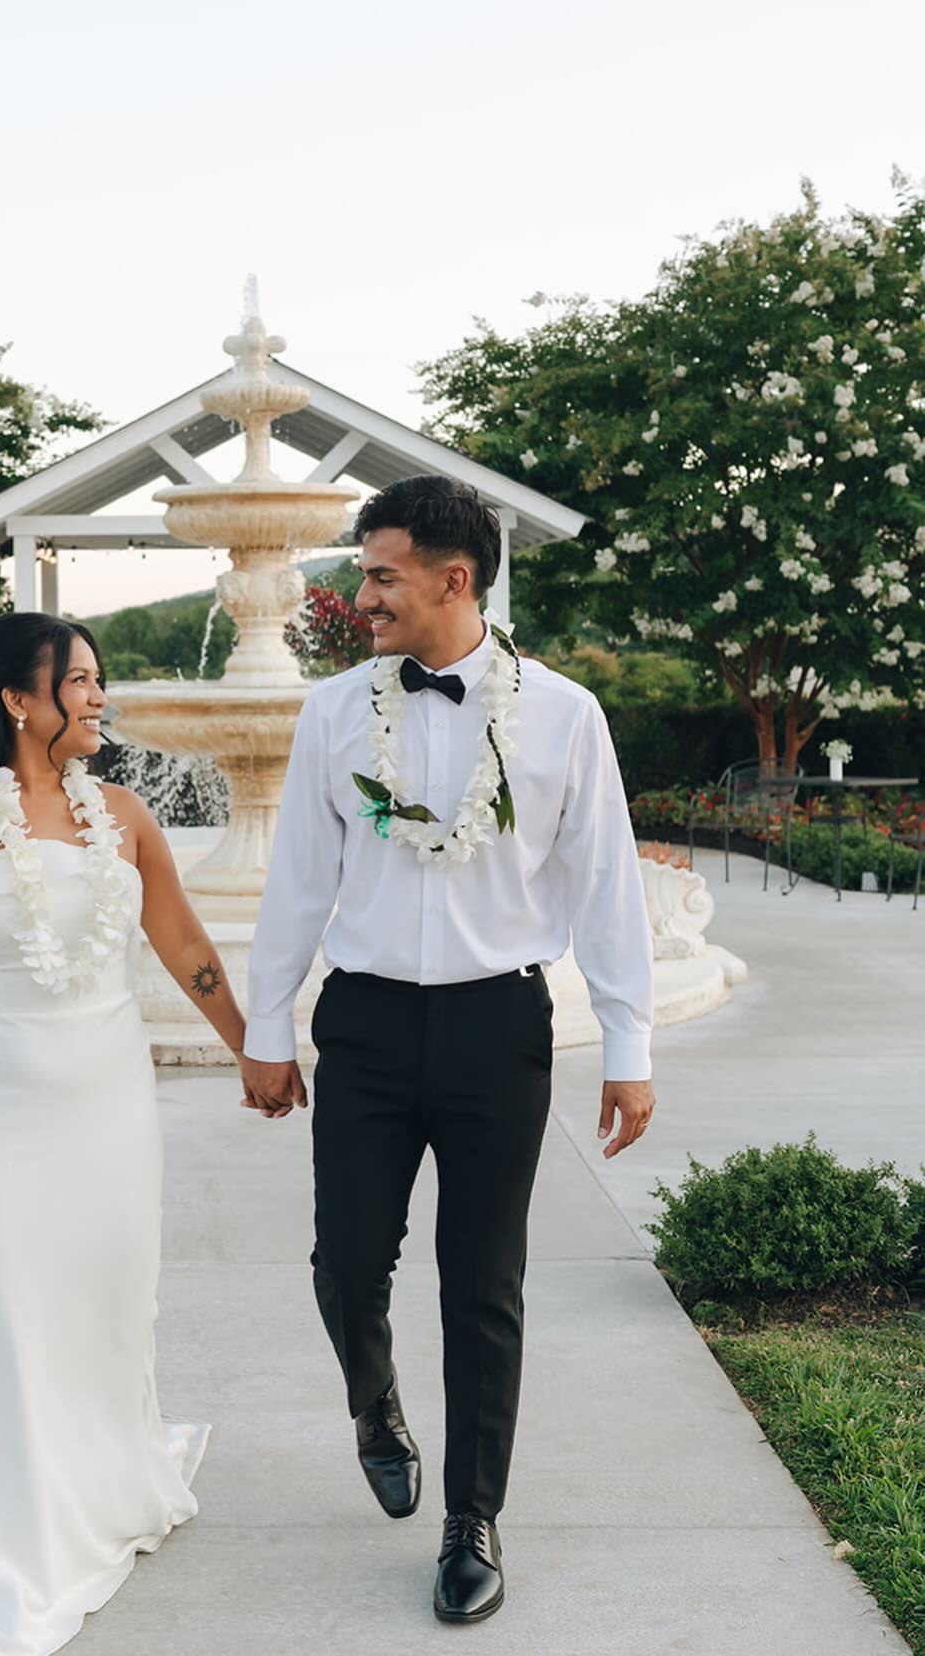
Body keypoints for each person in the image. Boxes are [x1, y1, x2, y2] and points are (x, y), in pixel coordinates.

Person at [241, 474, 657, 1627]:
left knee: (483, 1285)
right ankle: (374, 1405)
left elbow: (606, 884)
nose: (360, 594)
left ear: (451, 577)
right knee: (344, 1260)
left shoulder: (565, 714)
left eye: (379, 573)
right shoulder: (332, 712)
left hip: (496, 1026)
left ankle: (471, 1518)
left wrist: (629, 1042)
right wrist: (264, 1027)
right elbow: (296, 887)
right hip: (366, 1023)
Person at [0, 612, 261, 1656]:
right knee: (6, 1302)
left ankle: (96, 1471)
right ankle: (18, 1526)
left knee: (101, 1295)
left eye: (97, 681)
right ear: (18, 698)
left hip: (106, 1100)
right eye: (79, 682)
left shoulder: (125, 816)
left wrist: (248, 1047)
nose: (98, 698)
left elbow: (180, 937)